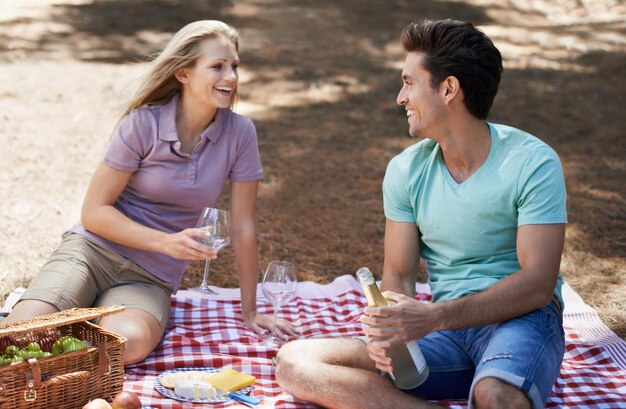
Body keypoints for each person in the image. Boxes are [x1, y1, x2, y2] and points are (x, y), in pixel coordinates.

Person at [275, 19, 566, 409]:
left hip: (520, 322)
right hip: (445, 337)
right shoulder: (405, 170)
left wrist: (434, 317)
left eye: (409, 82)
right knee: (296, 363)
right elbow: (398, 275)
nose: (400, 97)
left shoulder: (532, 163)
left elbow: (537, 285)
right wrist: (390, 336)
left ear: (448, 89)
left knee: (494, 395)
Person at [5, 20, 297, 365]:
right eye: (218, 66)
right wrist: (165, 241)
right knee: (24, 335)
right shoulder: (142, 124)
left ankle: (82, 319)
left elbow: (243, 226)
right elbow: (94, 212)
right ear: (183, 73)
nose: (231, 76)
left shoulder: (240, 133)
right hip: (91, 254)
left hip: (151, 276)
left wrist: (251, 310)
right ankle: (61, 308)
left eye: (234, 65)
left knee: (124, 346)